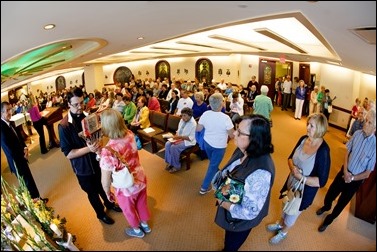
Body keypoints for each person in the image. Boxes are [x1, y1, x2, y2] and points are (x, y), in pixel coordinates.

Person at [58, 88, 122, 225]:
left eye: (82, 102)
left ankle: (109, 204)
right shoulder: (64, 126)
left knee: (103, 185)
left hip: (98, 161)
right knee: (92, 193)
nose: (80, 107)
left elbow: (98, 134)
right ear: (68, 104)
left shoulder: (89, 115)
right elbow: (68, 154)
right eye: (76, 104)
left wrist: (98, 143)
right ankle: (101, 214)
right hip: (82, 168)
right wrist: (89, 149)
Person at [214, 114, 275, 251]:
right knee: (228, 238)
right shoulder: (242, 150)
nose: (234, 133)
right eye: (237, 129)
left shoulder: (261, 173)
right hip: (231, 204)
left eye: (240, 132)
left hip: (240, 221)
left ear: (254, 139)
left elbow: (249, 212)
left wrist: (223, 203)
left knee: (231, 245)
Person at [267, 113, 330, 244]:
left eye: (311, 126)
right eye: (308, 124)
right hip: (291, 182)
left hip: (303, 191)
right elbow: (290, 157)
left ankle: (283, 232)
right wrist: (292, 168)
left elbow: (321, 182)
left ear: (320, 128)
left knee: (292, 214)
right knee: (285, 205)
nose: (307, 127)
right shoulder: (303, 139)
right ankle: (280, 223)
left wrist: (301, 177)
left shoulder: (323, 151)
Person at [316, 109, 376, 232]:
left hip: (355, 181)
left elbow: (367, 173)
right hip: (344, 172)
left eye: (369, 122)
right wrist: (345, 171)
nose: (365, 123)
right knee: (330, 194)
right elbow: (347, 151)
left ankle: (329, 220)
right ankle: (327, 206)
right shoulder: (357, 133)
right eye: (366, 120)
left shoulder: (375, 146)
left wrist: (352, 178)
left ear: (375, 127)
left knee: (341, 204)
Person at [99, 109, 151, 238]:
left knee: (129, 210)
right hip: (140, 177)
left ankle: (137, 230)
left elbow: (105, 180)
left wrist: (107, 192)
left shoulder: (108, 151)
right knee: (142, 203)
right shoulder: (129, 134)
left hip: (126, 186)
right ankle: (145, 225)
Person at [1, 101, 48, 202]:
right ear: (1, 113)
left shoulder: (11, 122)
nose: (10, 112)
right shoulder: (1, 127)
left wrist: (25, 148)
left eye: (10, 109)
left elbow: (19, 138)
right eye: (7, 110)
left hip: (21, 157)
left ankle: (38, 199)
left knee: (29, 180)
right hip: (16, 161)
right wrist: (22, 156)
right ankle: (36, 203)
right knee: (26, 183)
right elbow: (9, 150)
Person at [196, 93, 234, 195]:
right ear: (221, 103)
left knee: (213, 163)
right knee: (213, 165)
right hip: (219, 147)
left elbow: (198, 129)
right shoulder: (226, 118)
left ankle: (218, 176)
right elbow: (232, 135)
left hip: (207, 143)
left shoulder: (205, 114)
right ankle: (204, 188)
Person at [164, 107, 197, 173]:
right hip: (179, 137)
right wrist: (176, 135)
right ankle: (170, 162)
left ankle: (176, 166)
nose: (182, 117)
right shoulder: (182, 120)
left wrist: (180, 137)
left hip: (188, 141)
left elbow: (191, 138)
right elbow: (179, 130)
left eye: (184, 115)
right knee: (167, 144)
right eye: (182, 115)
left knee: (174, 147)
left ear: (190, 115)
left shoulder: (193, 124)